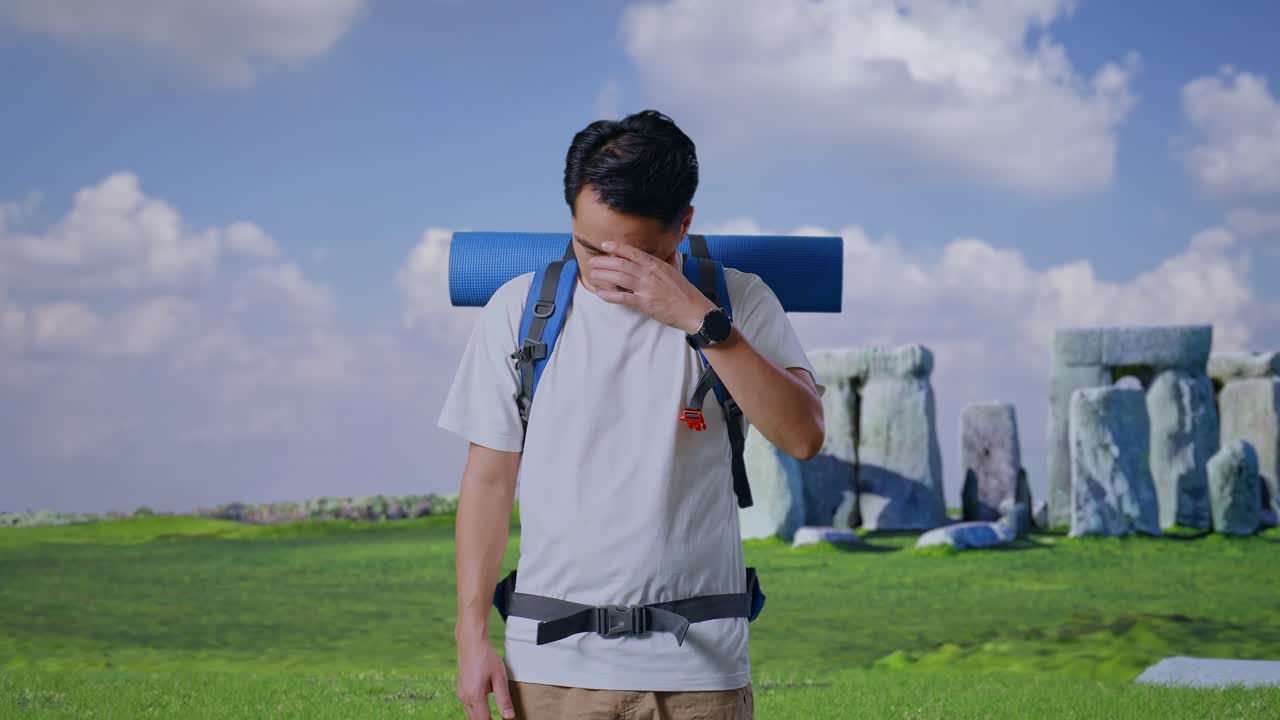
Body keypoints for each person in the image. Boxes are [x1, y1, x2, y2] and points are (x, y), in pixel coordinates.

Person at [440, 109, 826, 720]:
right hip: (547, 668)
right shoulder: (520, 311)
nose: (608, 269)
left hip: (700, 674)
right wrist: (470, 637)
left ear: (683, 226)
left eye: (638, 254)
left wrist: (700, 321)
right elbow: (488, 482)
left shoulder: (739, 301)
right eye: (590, 246)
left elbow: (804, 435)